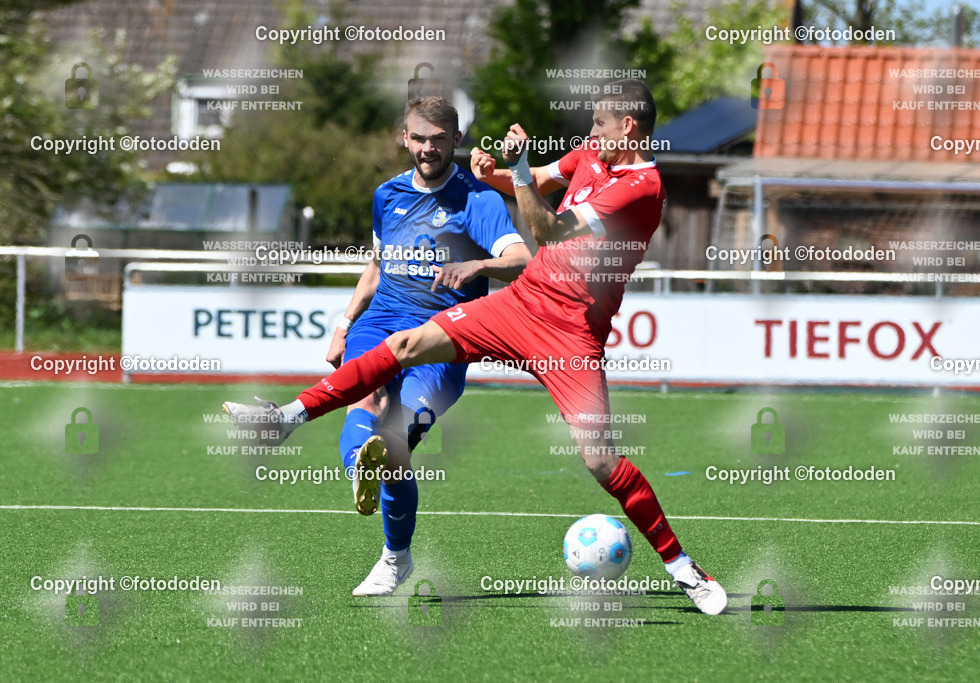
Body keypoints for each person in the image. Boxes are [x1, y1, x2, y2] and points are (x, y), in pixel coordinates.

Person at [225, 80, 728, 615]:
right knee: (403, 344)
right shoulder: (592, 154)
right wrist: (499, 170)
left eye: (599, 123)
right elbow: (533, 182)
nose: (590, 132)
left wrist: (514, 174)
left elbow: (547, 229)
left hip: (570, 333)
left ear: (627, 126)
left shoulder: (641, 186)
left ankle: (684, 569)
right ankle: (285, 419)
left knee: (599, 460)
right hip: (521, 302)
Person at [279, 96, 529, 597]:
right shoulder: (386, 194)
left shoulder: (477, 200)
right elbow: (377, 265)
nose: (428, 148)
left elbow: (522, 258)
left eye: (439, 139)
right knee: (365, 401)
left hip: (444, 337)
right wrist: (345, 323)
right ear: (405, 137)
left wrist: (478, 267)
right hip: (380, 323)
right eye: (419, 138)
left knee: (396, 443)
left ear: (456, 140)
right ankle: (361, 475)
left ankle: (397, 556)